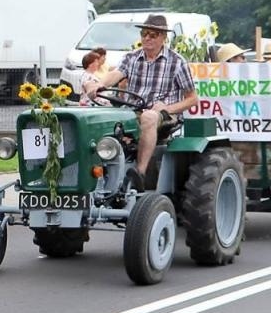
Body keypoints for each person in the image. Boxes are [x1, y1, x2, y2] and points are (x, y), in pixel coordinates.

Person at [81, 13, 200, 189]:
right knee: (98, 118)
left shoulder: (177, 62)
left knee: (149, 117)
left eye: (153, 35)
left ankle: (139, 174)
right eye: (144, 33)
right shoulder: (132, 58)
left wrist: (167, 107)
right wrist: (97, 85)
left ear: (163, 37)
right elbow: (115, 75)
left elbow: (192, 99)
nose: (147, 38)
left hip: (164, 115)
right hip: (132, 110)